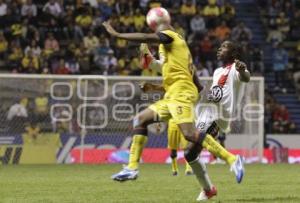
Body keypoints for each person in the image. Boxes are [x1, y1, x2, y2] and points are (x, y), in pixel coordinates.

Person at [103, 8, 244, 201]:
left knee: (189, 135)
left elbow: (148, 38)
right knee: (140, 120)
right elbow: (188, 78)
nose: (159, 31)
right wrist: (154, 84)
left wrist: (118, 34)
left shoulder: (171, 36)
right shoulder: (175, 50)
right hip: (173, 94)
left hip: (181, 94)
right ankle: (132, 168)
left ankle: (232, 159)